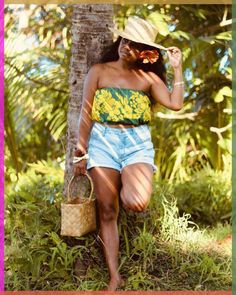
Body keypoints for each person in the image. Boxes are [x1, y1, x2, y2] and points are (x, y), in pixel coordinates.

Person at [73, 16, 184, 290]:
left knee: (135, 201)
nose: (126, 47)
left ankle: (125, 184)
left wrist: (177, 69)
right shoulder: (98, 71)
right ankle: (115, 277)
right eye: (125, 40)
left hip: (136, 144)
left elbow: (175, 103)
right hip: (102, 144)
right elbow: (86, 113)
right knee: (108, 210)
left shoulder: (148, 78)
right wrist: (80, 150)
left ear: (146, 54)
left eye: (135, 45)